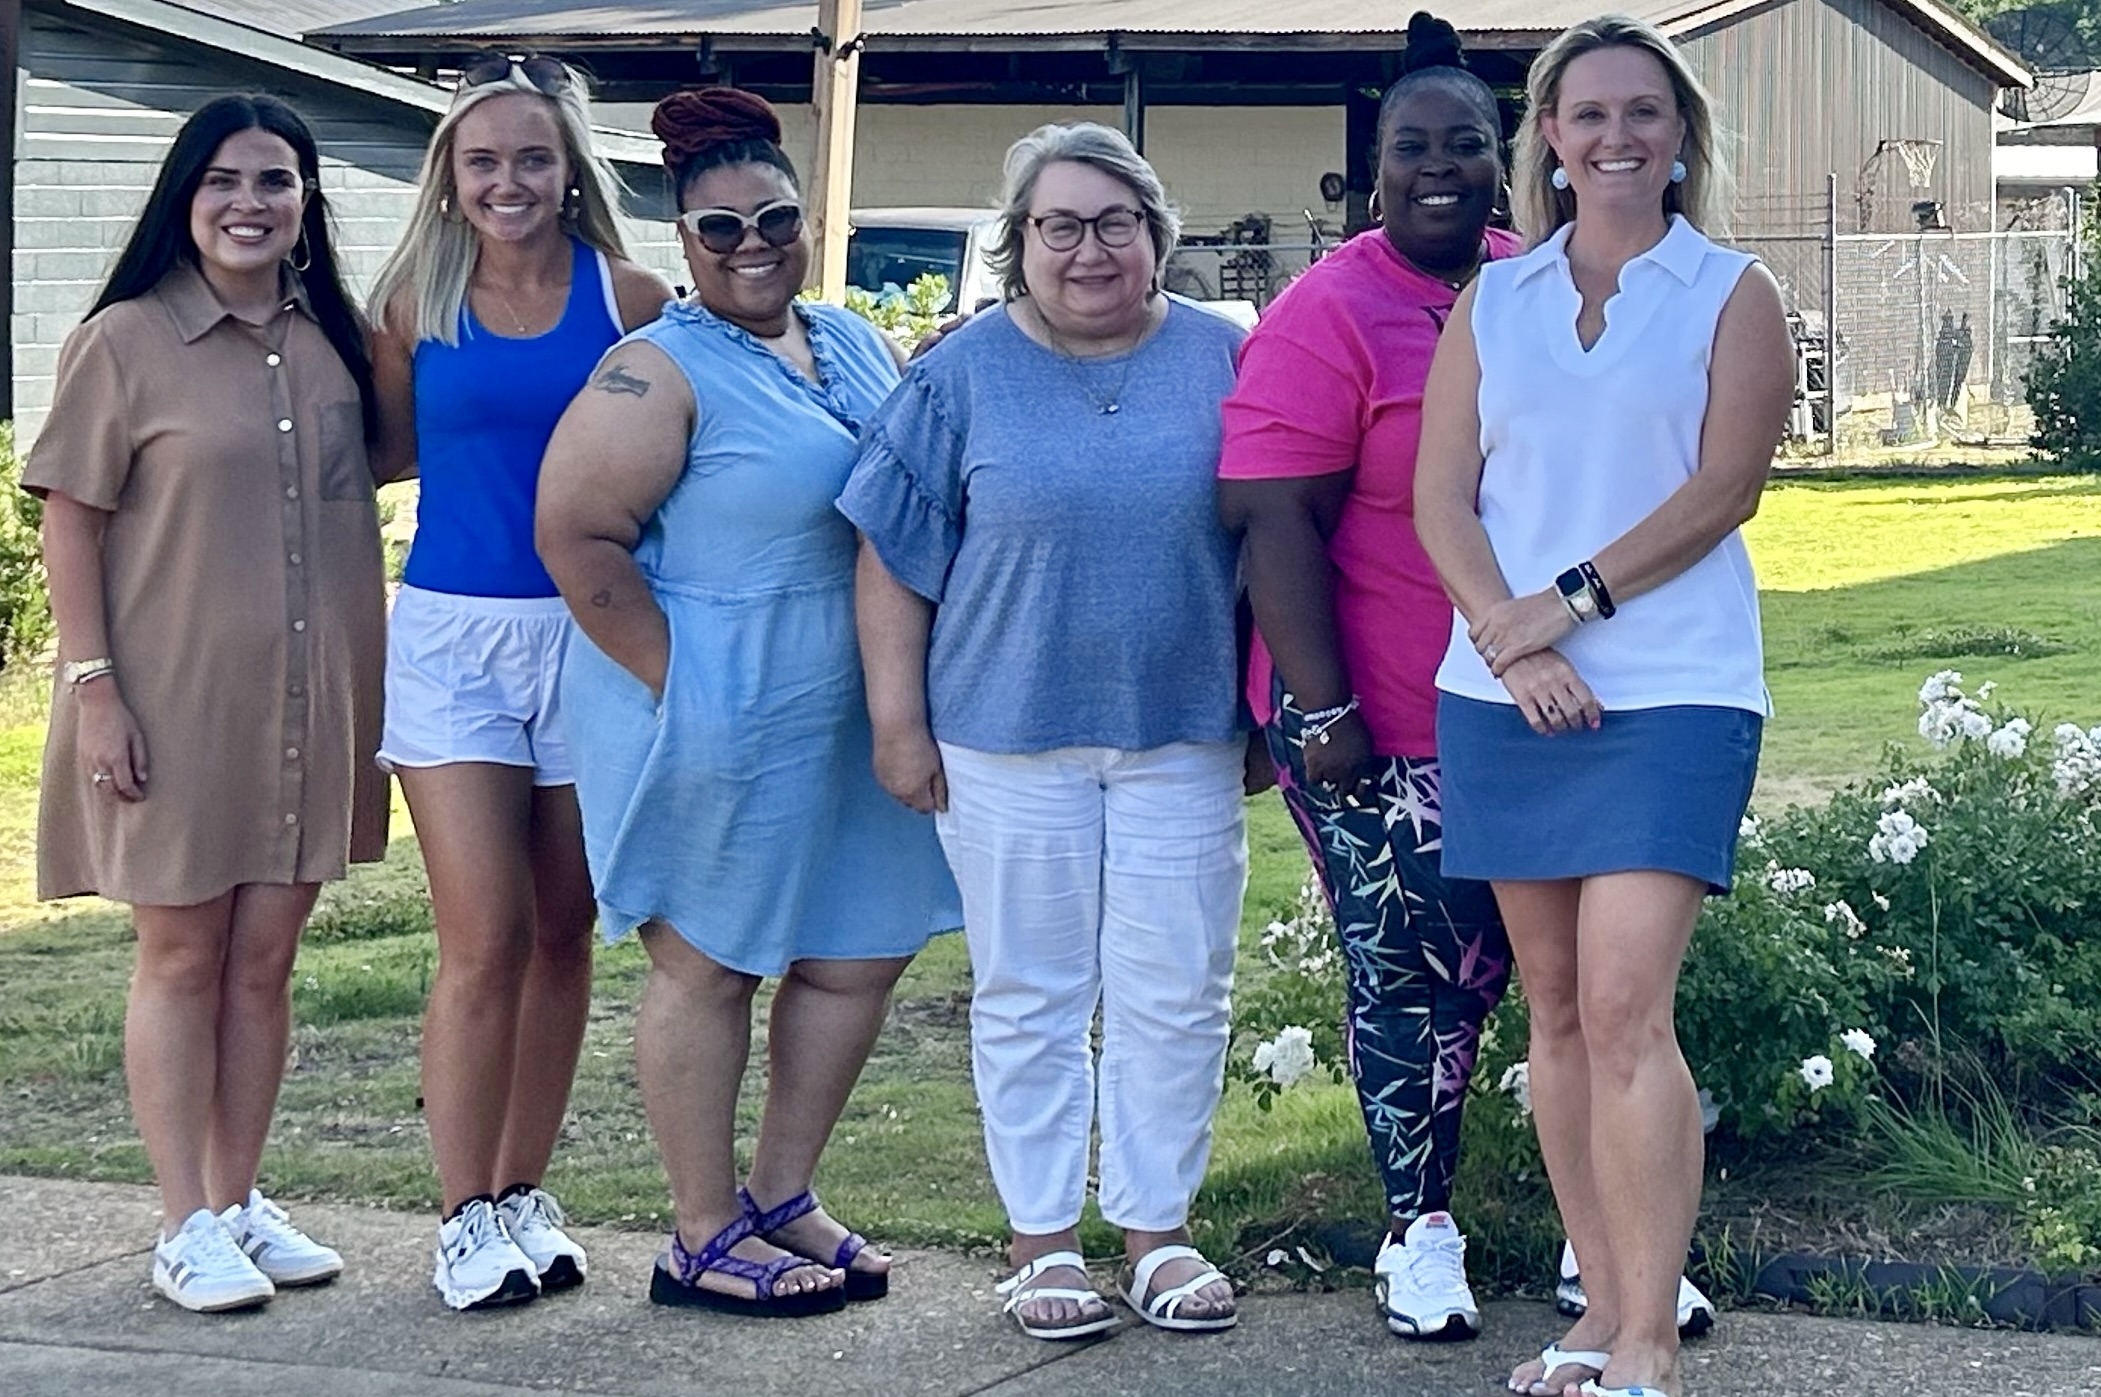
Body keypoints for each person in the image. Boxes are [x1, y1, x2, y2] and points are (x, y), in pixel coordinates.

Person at [1413, 15, 1793, 1397]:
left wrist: (1560, 607)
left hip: (1673, 688)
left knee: (1631, 1005)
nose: (1616, 137)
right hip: (1504, 692)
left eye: (1643, 113)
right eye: (1589, 116)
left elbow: (1720, 493)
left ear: (1679, 134)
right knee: (1557, 1013)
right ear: (1552, 141)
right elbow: (1438, 498)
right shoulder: (1493, 301)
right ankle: (1590, 1312)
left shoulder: (1730, 290)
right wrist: (1513, 648)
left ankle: (1647, 1337)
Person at [535, 87, 959, 1319]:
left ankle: (781, 1194)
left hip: (852, 703)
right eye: (720, 228)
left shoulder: (852, 339)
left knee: (857, 951)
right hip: (714, 701)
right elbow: (578, 537)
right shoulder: (653, 368)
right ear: (685, 241)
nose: (752, 242)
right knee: (711, 963)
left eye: (772, 216)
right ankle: (701, 1229)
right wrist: (691, 693)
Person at [841, 121, 1249, 1342]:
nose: (1086, 249)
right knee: (1030, 989)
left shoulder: (1226, 356)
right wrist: (896, 724)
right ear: (1018, 243)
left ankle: (1157, 1231)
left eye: (1113, 223)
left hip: (1184, 727)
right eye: (1056, 226)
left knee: (1177, 987)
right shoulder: (958, 373)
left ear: (1156, 236)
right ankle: (1039, 1240)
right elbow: (890, 556)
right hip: (1002, 733)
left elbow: (1284, 534)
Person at [30, 93, 386, 1312]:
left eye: (276, 182)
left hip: (308, 696)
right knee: (182, 953)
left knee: (267, 959)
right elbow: (69, 518)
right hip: (169, 696)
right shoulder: (124, 341)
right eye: (226, 180)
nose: (250, 203)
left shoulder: (333, 340)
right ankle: (182, 1218)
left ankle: (237, 1200)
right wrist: (94, 690)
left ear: (305, 204)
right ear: (187, 196)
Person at [1217, 11, 1519, 1343]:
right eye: (1412, 147)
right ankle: (1419, 1231)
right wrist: (1324, 709)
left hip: (1525, 704)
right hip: (1372, 709)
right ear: (1370, 168)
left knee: (1541, 969)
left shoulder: (1536, 282)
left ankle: (1605, 1232)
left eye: (1467, 144)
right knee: (1408, 973)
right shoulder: (1326, 310)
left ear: (1505, 161)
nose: (1440, 167)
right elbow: (1272, 517)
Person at [366, 55, 674, 1312]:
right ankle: (458, 1213)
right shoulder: (411, 300)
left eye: (531, 159)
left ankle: (520, 1192)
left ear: (570, 170)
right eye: (481, 160)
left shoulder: (631, 295)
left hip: (589, 636)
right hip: (452, 638)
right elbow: (382, 453)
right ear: (449, 174)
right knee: (482, 936)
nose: (508, 181)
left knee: (563, 933)